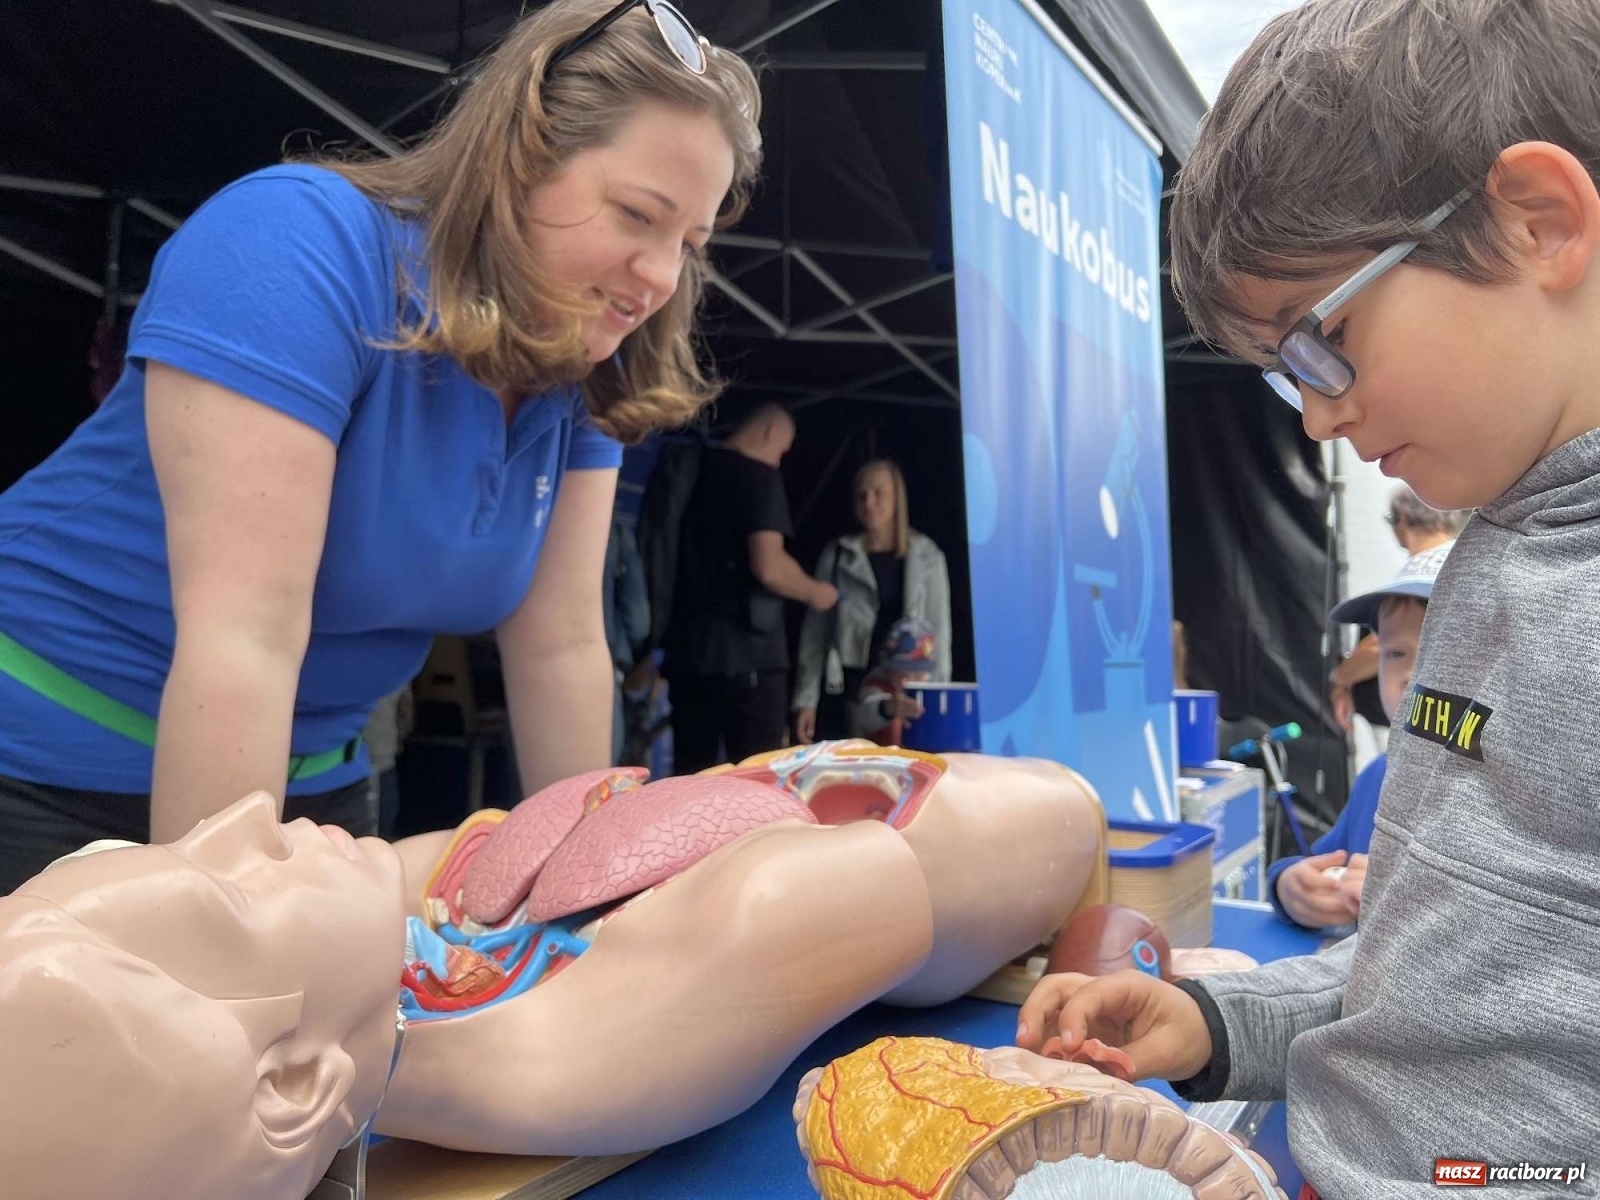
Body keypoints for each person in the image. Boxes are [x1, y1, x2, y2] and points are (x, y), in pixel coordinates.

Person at [1018, 1, 1600, 1194]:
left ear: (1537, 221)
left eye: (1321, 343)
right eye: (1288, 380)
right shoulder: (1493, 549)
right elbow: (1437, 965)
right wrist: (1223, 1023)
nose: (1321, 417)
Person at [0, 0, 764, 894]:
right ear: (523, 153)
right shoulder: (299, 242)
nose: (663, 276)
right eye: (637, 214)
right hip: (42, 767)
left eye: (690, 243)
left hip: (321, 782)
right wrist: (224, 932)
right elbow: (244, 639)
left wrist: (595, 894)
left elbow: (560, 644)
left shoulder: (586, 358)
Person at [1271, 541, 1452, 930]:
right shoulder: (1377, 775)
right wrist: (1290, 886)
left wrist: (1400, 898)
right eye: (1395, 653)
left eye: (1442, 648)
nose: (1410, 673)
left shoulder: (1513, 798)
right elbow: (1324, 861)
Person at [662, 404, 836, 773]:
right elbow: (769, 566)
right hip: (748, 659)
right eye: (782, 451)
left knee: (690, 775)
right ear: (770, 432)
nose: (779, 462)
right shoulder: (759, 477)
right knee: (757, 777)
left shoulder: (691, 469)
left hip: (687, 657)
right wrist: (816, 592)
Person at [792, 459, 953, 744]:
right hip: (850, 692)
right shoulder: (839, 555)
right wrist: (806, 701)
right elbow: (815, 635)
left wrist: (937, 700)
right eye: (861, 495)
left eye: (879, 493)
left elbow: (939, 633)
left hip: (908, 690)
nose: (869, 502)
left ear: (897, 498)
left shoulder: (928, 557)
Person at [1328, 485, 1467, 731]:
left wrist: (1339, 679)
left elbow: (1380, 644)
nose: (1409, 674)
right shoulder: (1460, 560)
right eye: (1396, 655)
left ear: (1401, 518)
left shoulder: (1441, 568)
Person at [851, 615, 937, 745]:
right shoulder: (876, 686)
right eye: (900, 674)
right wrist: (888, 707)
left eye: (917, 676)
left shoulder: (933, 695)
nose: (905, 682)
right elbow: (864, 715)